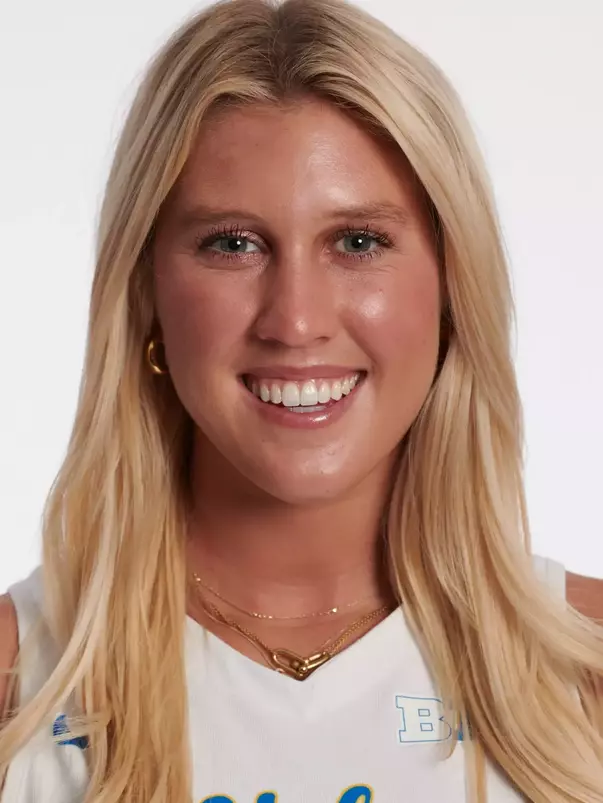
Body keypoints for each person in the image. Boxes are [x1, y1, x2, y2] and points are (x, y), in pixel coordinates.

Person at [1, 0, 602, 800]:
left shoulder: (586, 668)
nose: (296, 321)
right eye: (232, 243)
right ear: (145, 290)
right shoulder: (18, 688)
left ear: (453, 283)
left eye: (357, 242)